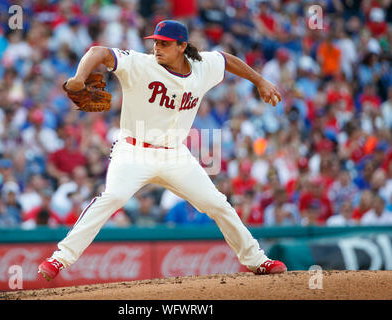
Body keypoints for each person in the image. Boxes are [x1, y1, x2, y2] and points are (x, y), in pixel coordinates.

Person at [38, 20, 286, 281]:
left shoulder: (202, 66)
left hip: (175, 155)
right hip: (133, 151)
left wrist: (260, 81)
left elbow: (226, 60)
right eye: (155, 41)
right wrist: (78, 78)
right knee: (113, 197)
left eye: (164, 43)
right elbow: (97, 51)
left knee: (217, 204)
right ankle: (59, 259)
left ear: (182, 46)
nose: (157, 47)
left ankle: (258, 261)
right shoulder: (140, 64)